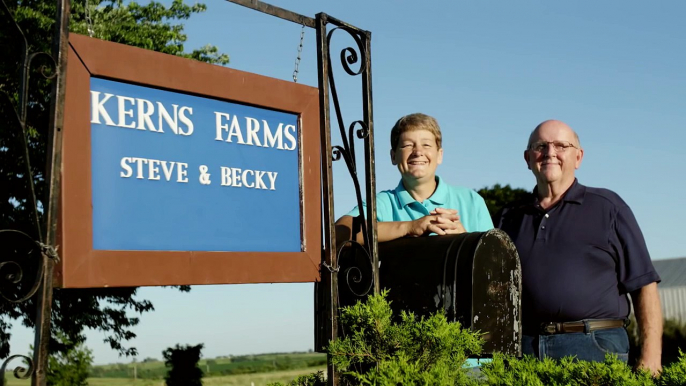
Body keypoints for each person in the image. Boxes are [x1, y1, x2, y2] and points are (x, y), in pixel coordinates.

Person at [494, 119, 662, 375]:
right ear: (528, 158)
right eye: (541, 146)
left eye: (561, 145)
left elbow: (644, 285)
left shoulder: (609, 207)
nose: (550, 153)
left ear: (578, 157)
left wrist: (651, 358)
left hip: (593, 345)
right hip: (525, 348)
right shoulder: (509, 217)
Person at [335, 113, 493, 246]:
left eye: (426, 145)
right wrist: (409, 227)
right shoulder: (384, 203)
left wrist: (465, 241)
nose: (418, 152)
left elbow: (495, 262)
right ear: (393, 156)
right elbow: (338, 232)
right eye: (407, 145)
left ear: (440, 155)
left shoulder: (471, 201)